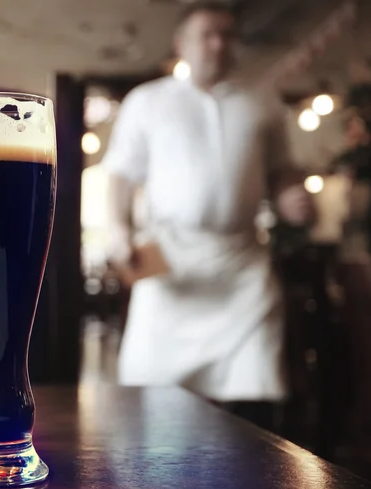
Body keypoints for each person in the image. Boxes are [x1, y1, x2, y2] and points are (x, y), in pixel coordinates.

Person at [102, 0, 315, 428]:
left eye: (228, 35)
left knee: (253, 395)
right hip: (171, 267)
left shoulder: (264, 102)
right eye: (207, 34)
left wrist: (294, 197)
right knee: (155, 397)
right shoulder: (147, 101)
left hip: (243, 269)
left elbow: (282, 173)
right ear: (182, 43)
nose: (219, 44)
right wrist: (116, 230)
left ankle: (247, 487)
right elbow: (119, 176)